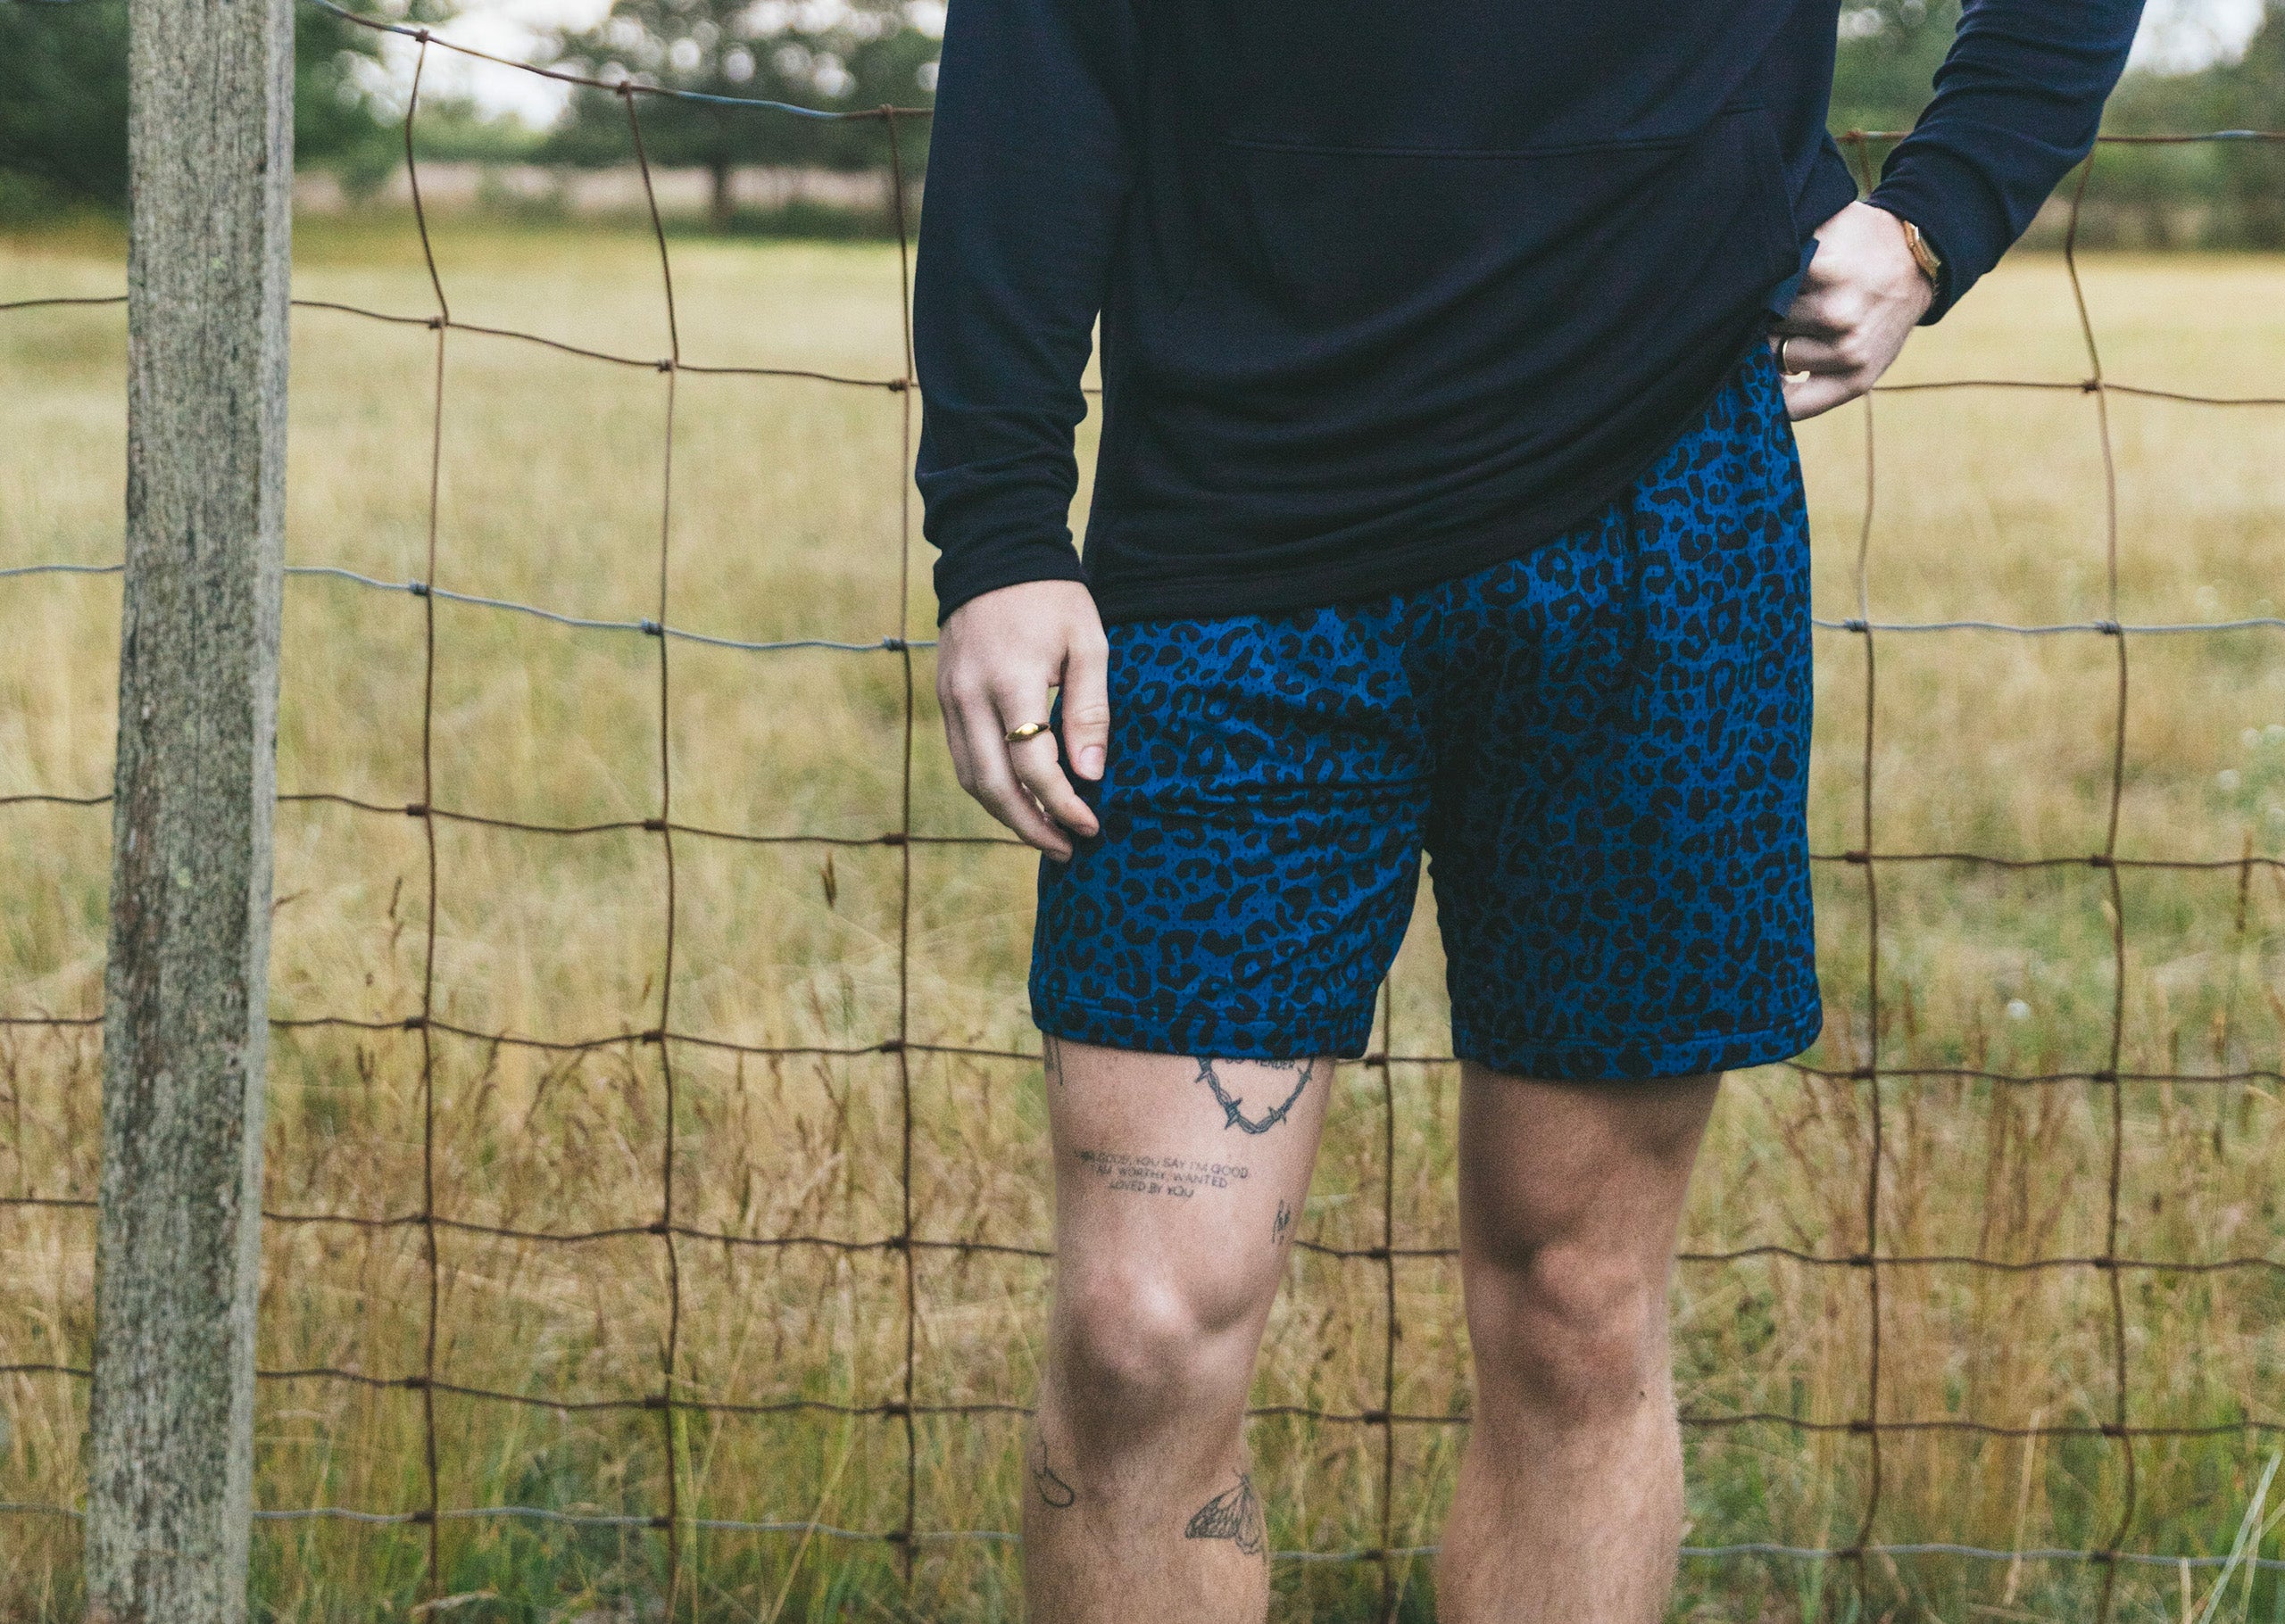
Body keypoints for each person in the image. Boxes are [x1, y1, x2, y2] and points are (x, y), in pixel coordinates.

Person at [910, 0, 2143, 1616]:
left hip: (1662, 523)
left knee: (1578, 1304)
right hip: (1228, 550)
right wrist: (998, 525)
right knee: (1143, 1331)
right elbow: (1042, 46)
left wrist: (1941, 209)